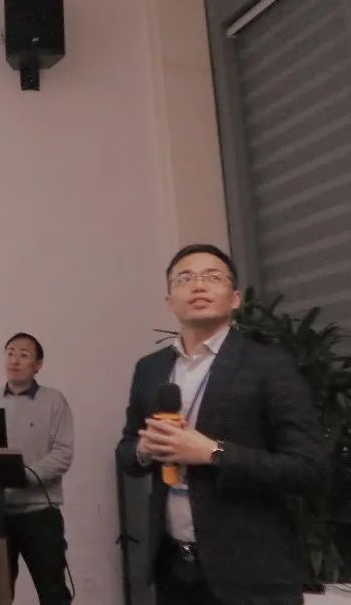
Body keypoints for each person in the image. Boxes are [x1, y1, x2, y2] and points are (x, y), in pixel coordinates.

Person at [116, 243, 328, 604]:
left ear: (235, 298)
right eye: (185, 278)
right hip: (173, 567)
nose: (198, 285)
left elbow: (309, 469)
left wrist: (213, 453)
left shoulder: (269, 365)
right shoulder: (150, 369)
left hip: (253, 572)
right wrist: (143, 449)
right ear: (170, 301)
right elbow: (125, 454)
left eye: (212, 277)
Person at [0, 332, 73, 605]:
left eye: (24, 355)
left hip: (39, 512)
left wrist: (21, 476)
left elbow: (63, 454)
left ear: (38, 365)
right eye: (10, 353)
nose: (15, 360)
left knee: (53, 593)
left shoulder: (54, 400)